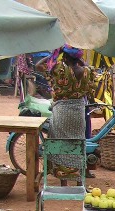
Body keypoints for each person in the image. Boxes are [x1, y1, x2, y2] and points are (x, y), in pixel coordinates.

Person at [45, 45, 96, 180]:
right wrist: (80, 61)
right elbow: (91, 88)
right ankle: (79, 181)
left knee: (60, 144)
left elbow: (42, 65)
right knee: (77, 144)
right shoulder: (87, 72)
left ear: (65, 57)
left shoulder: (60, 71)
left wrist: (56, 54)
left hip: (62, 112)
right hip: (78, 113)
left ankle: (63, 179)